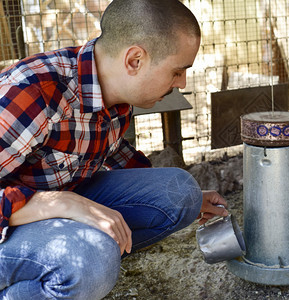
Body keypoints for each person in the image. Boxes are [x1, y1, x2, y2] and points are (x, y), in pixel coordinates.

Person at [0, 0, 228, 299]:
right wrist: (56, 204)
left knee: (180, 190)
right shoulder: (33, 92)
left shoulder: (114, 93)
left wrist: (190, 200)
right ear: (135, 60)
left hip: (60, 202)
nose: (182, 83)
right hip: (10, 224)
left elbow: (112, 154)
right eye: (177, 72)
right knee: (90, 259)